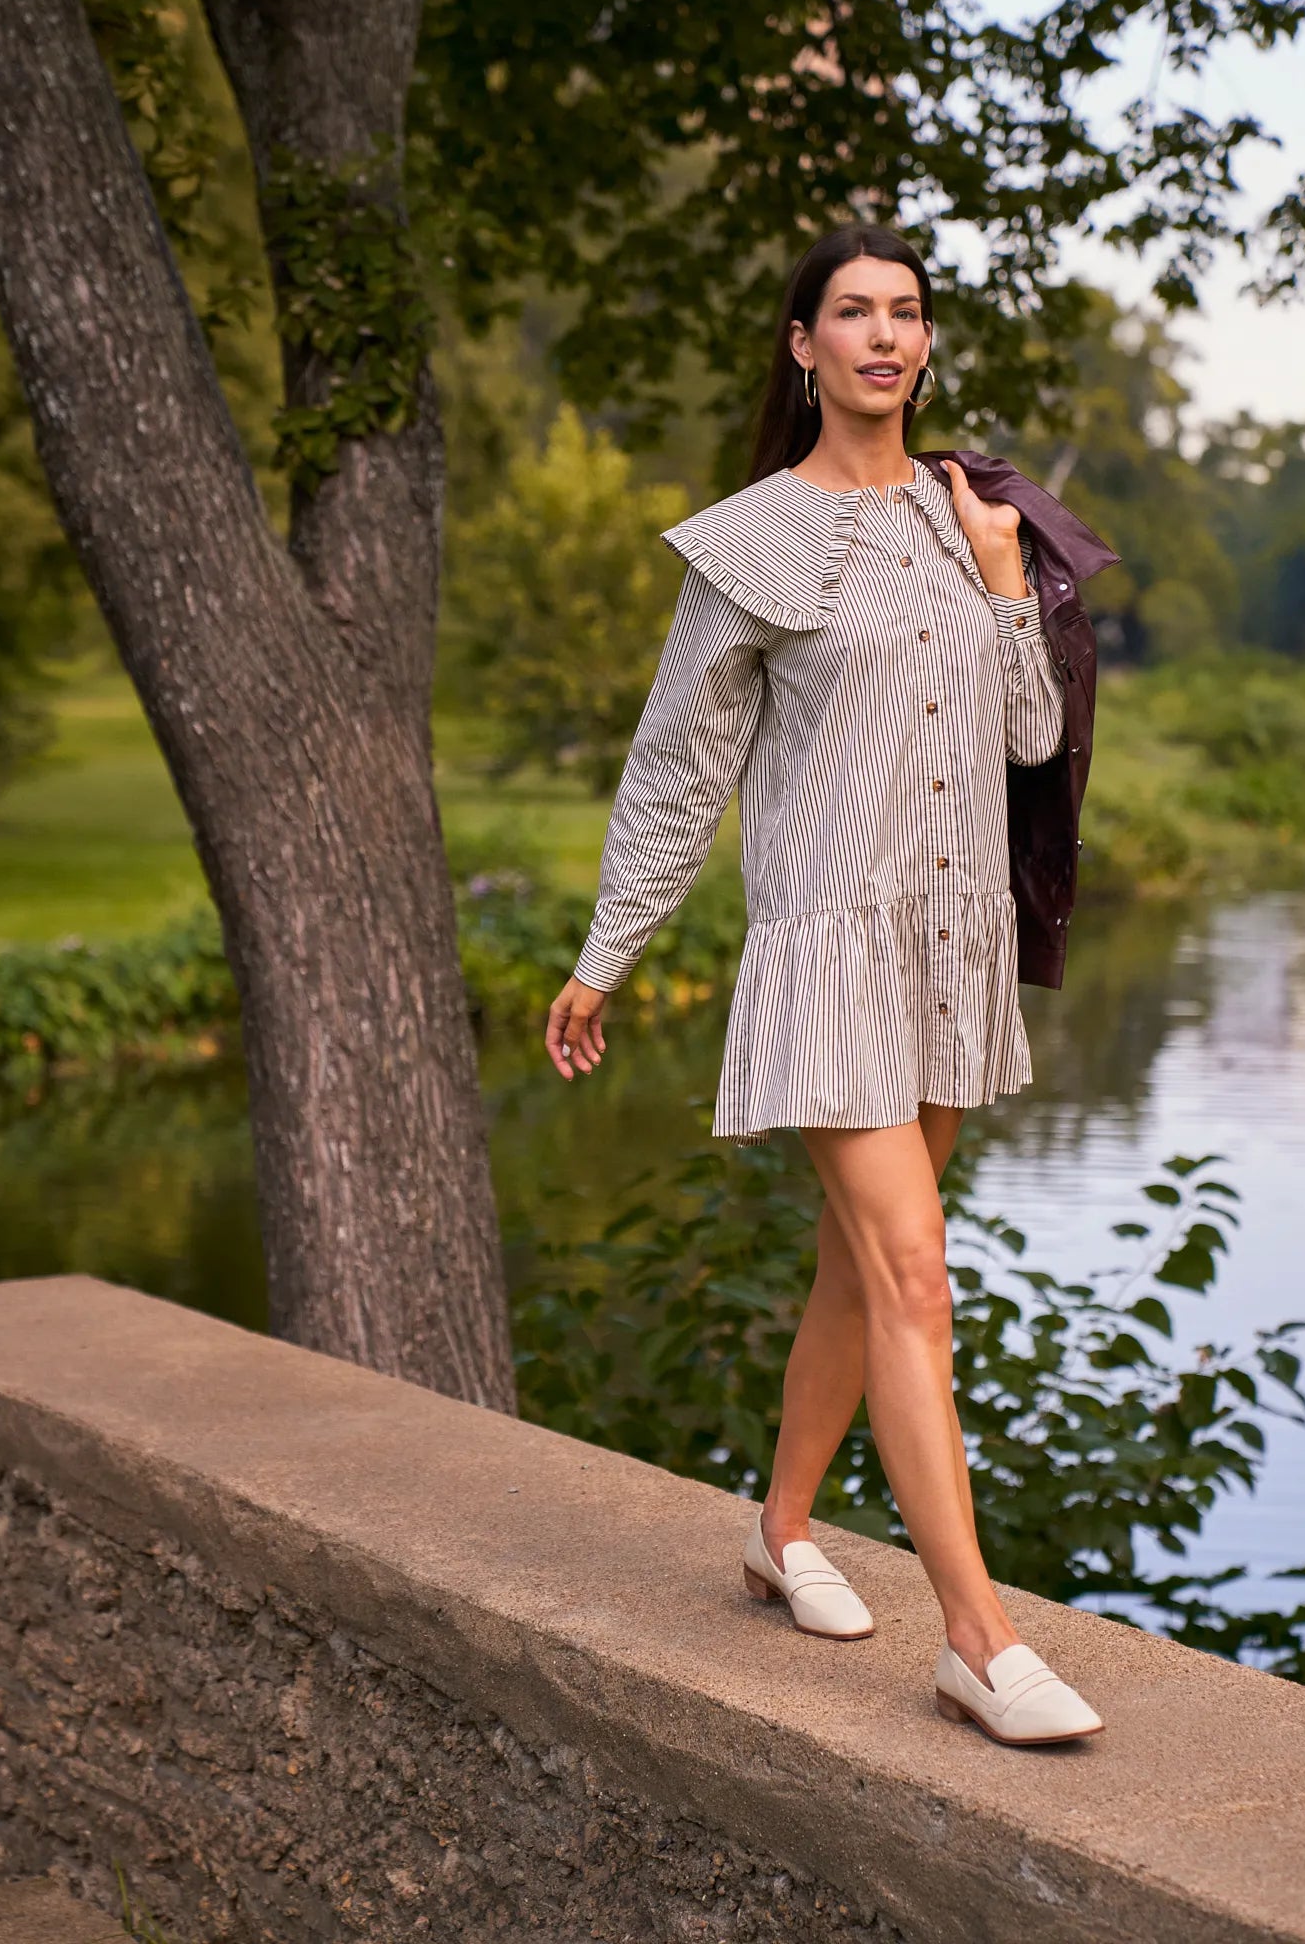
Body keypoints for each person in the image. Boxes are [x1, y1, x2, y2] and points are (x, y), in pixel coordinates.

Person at [544, 226, 1106, 1747]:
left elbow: (1033, 738)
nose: (882, 335)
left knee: (862, 1275)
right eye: (851, 312)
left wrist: (1004, 579)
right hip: (827, 950)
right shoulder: (752, 543)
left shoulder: (971, 515)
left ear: (924, 344)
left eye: (904, 312)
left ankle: (780, 1530)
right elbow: (680, 768)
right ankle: (977, 1641)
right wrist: (608, 952)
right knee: (913, 1275)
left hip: (951, 950)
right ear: (803, 346)